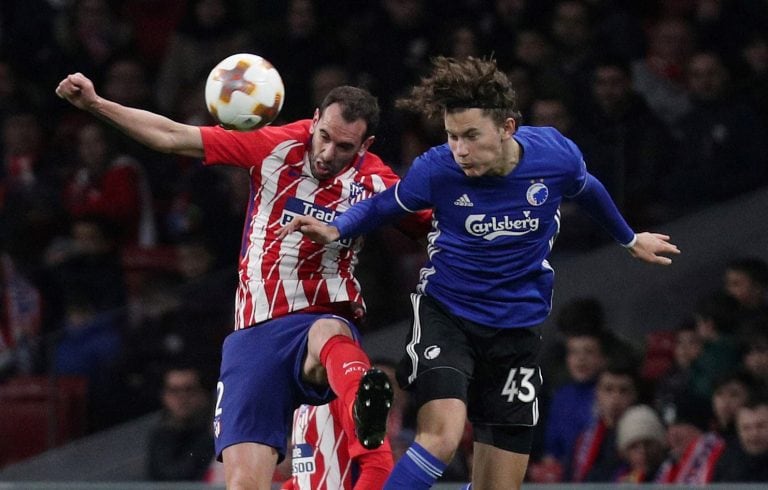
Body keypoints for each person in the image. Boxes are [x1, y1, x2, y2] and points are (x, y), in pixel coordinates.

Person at [279, 56, 680, 490]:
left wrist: (629, 239)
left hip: (517, 329)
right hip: (447, 316)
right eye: (452, 136)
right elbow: (384, 205)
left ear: (507, 127)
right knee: (441, 438)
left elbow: (588, 189)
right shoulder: (439, 169)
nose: (461, 150)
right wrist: (336, 227)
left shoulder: (555, 156)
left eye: (471, 135)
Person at [55, 72, 430, 489]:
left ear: (366, 146)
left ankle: (365, 394)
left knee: (327, 331)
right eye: (323, 136)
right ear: (316, 117)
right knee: (243, 484)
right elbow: (170, 135)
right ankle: (360, 389)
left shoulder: (376, 182)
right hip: (254, 334)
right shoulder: (273, 146)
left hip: (321, 318)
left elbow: (438, 231)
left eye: (344, 147)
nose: (327, 152)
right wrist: (95, 104)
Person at [147, 364, 215, 481]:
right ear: (164, 396)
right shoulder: (160, 435)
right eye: (174, 391)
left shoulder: (218, 435)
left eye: (189, 390)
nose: (182, 398)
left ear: (204, 394)